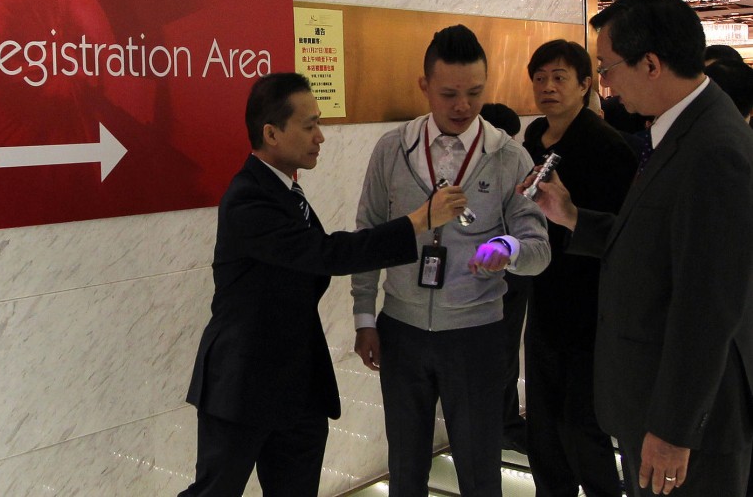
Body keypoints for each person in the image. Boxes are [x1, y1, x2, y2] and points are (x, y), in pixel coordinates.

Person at [178, 72, 467, 497]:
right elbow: (326, 255)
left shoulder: (286, 191)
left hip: (298, 388)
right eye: (310, 125)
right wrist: (419, 220)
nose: (321, 137)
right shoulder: (248, 199)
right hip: (243, 383)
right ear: (271, 133)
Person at [529, 0, 753, 496]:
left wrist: (674, 429)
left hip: (692, 424)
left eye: (606, 70)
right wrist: (570, 216)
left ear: (650, 64)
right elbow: (656, 244)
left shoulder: (712, 149)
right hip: (651, 403)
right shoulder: (677, 131)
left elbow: (709, 305)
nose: (604, 87)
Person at [351, 25, 551, 497]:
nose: (463, 106)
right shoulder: (392, 151)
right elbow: (368, 236)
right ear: (424, 87)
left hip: (478, 335)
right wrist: (364, 317)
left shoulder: (507, 156)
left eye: (475, 93)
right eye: (449, 94)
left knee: (481, 470)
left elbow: (538, 248)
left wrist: (507, 251)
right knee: (405, 467)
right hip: (400, 329)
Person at [522, 39, 636, 497]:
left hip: (592, 302)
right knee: (543, 426)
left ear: (586, 84)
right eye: (540, 78)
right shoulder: (533, 136)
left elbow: (623, 236)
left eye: (559, 77)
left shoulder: (608, 145)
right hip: (545, 291)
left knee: (582, 425)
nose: (548, 87)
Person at [480, 101, 530, 453]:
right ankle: (502, 425)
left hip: (501, 272)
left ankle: (500, 423)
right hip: (504, 275)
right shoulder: (503, 166)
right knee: (503, 353)